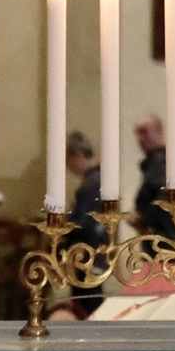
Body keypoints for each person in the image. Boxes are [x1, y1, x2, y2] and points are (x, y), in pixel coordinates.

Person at [53, 131, 108, 317]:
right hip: (89, 255)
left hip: (86, 256)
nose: (68, 168)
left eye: (68, 162)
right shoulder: (96, 179)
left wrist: (63, 226)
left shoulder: (92, 183)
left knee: (88, 308)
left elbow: (85, 223)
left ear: (77, 155)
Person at [132, 114, 175, 247]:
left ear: (159, 131)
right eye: (138, 134)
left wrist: (141, 218)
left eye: (144, 132)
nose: (140, 139)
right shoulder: (156, 162)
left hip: (166, 238)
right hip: (156, 237)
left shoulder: (165, 162)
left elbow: (165, 199)